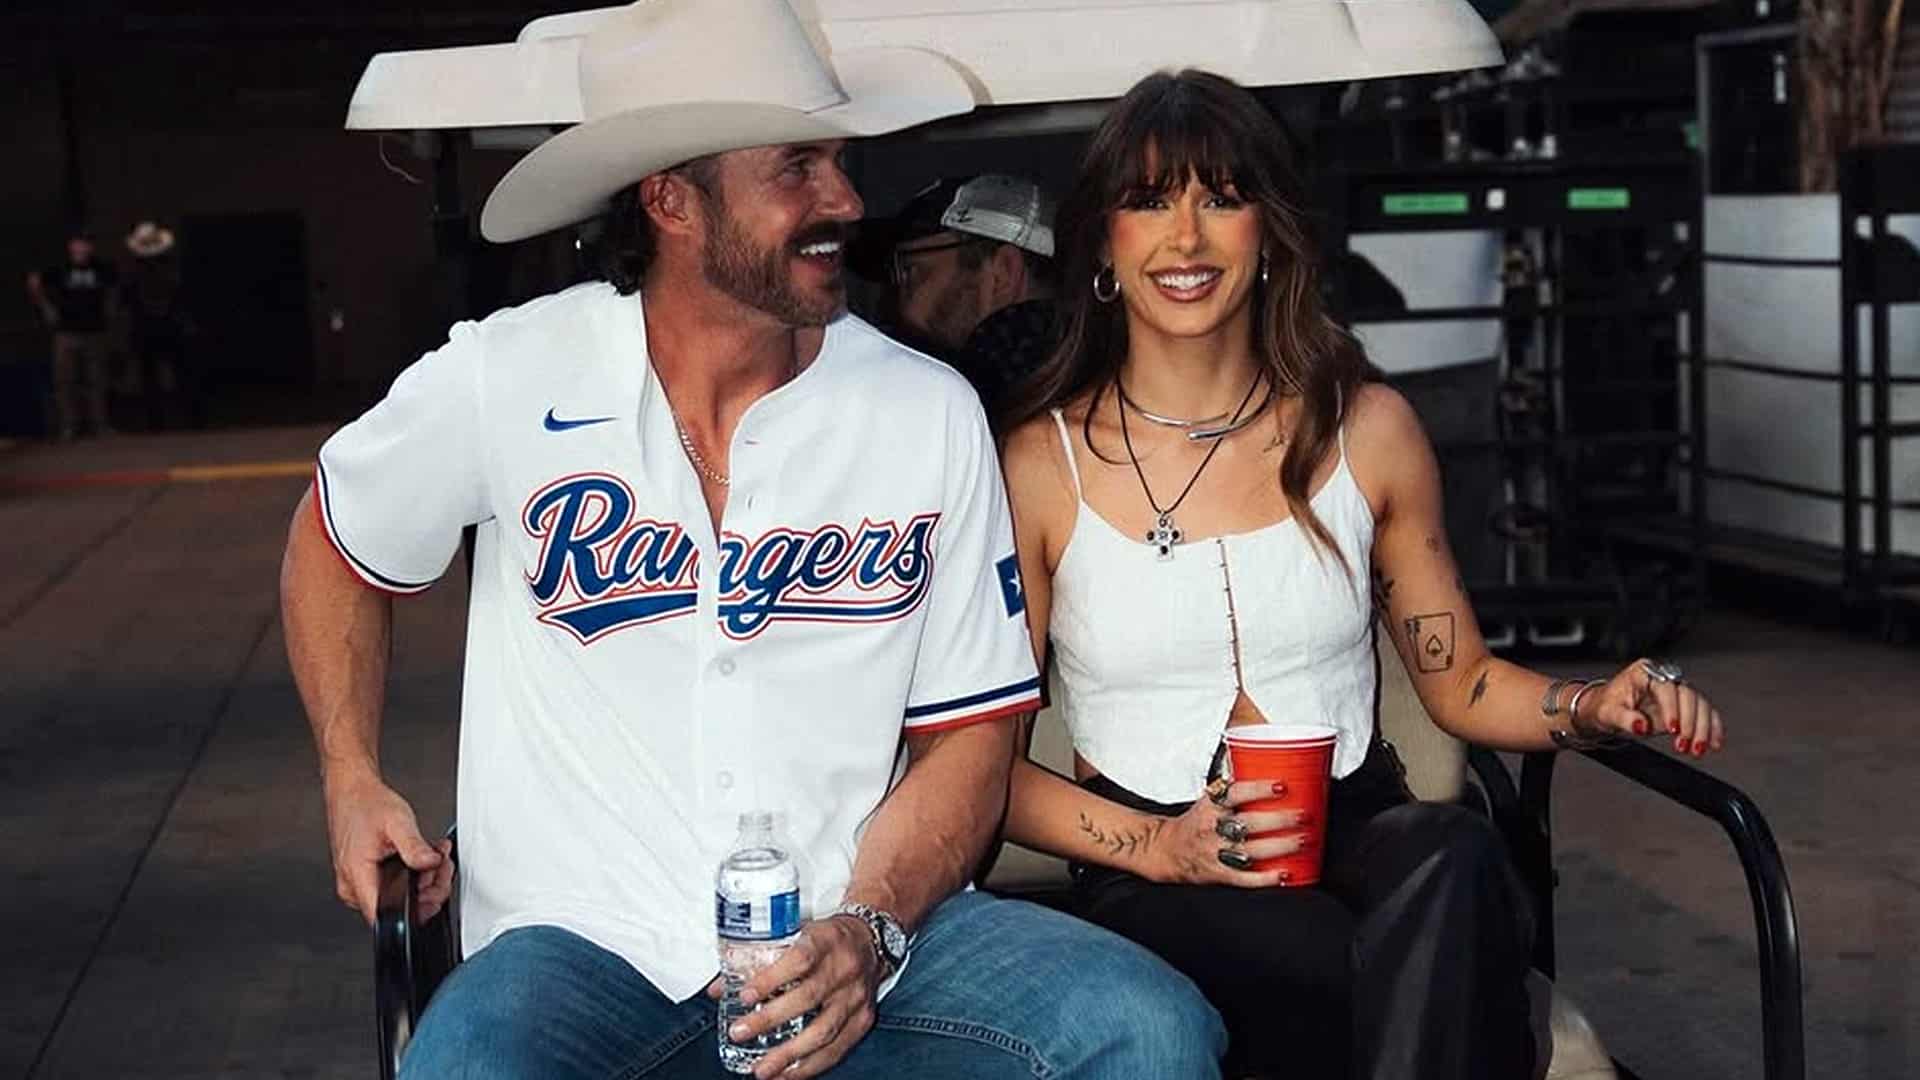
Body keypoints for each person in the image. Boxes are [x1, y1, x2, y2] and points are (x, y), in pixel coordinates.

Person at [279, 4, 1223, 1079]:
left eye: (839, 163)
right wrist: (350, 778)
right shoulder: (510, 374)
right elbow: (335, 539)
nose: (845, 201)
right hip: (577, 957)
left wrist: (869, 927)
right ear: (672, 200)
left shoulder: (925, 411)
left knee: (1149, 1031)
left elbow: (971, 739)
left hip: (859, 941)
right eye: (797, 169)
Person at [997, 69, 1727, 1080]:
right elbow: (977, 769)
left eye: (1222, 198)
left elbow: (1462, 682)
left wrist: (1593, 704)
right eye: (1151, 201)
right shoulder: (1040, 466)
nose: (1187, 237)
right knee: (1390, 963)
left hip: (1359, 826)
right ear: (1104, 247)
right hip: (1158, 862)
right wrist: (1155, 848)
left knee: (1457, 852)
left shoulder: (1368, 430)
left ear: (1269, 234)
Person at [861, 174, 1057, 424]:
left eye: (911, 271)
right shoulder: (1085, 378)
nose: (893, 303)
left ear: (1003, 272)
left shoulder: (971, 401)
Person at [25, 230, 118, 439]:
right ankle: (69, 426)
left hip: (95, 331)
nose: (81, 248)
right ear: (70, 247)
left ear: (91, 247)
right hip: (66, 332)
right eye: (77, 244)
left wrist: (109, 312)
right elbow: (34, 281)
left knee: (97, 380)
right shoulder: (60, 268)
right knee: (65, 381)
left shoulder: (102, 268)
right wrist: (46, 308)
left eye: (85, 244)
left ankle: (100, 425)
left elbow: (114, 289)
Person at [121, 222, 198, 431]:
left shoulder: (167, 269)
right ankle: (163, 421)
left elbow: (180, 296)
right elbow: (127, 301)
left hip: (167, 325)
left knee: (177, 374)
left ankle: (184, 419)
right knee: (154, 376)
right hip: (150, 327)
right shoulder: (137, 271)